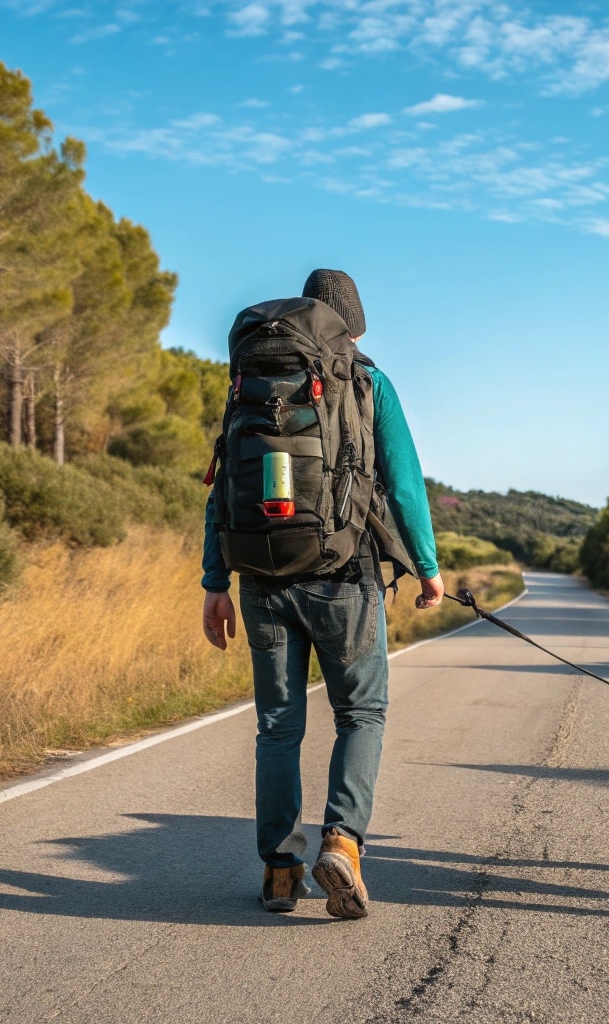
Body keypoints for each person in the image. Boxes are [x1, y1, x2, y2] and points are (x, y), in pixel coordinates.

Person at [200, 269, 444, 920]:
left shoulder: (251, 380)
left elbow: (223, 485)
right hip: (343, 573)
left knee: (277, 727)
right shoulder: (367, 380)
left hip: (261, 575)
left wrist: (215, 582)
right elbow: (404, 483)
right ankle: (342, 842)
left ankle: (280, 872)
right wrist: (427, 568)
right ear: (353, 327)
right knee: (360, 714)